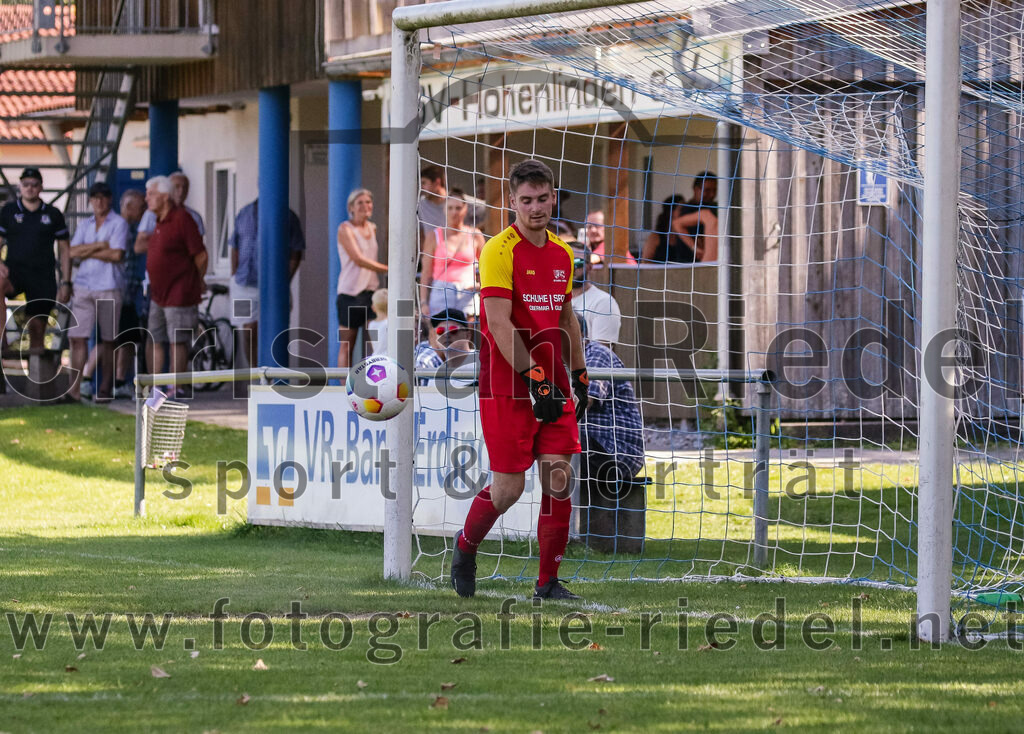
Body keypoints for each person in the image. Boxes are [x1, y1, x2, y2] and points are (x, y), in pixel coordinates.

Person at [450, 158, 589, 601]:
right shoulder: (497, 250)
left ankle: (547, 582)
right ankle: (465, 548)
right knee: (509, 488)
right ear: (512, 202)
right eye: (526, 200)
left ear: (553, 197)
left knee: (559, 478)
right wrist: (535, 380)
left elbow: (567, 318)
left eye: (543, 198)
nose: (535, 208)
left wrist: (580, 372)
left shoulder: (563, 252)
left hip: (551, 382)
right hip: (508, 384)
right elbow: (499, 324)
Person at [136, 175, 207, 397]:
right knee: (155, 338)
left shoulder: (182, 219)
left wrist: (196, 280)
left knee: (178, 340)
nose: (146, 198)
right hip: (158, 293)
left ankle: (176, 387)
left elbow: (201, 256)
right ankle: (156, 388)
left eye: (151, 194)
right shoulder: (158, 220)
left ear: (165, 197)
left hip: (180, 292)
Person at [67, 182, 129, 402]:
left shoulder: (119, 223)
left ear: (109, 199)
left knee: (109, 339)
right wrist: (99, 245)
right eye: (95, 197)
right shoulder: (85, 224)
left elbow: (116, 255)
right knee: (77, 337)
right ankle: (74, 390)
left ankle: (105, 389)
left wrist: (88, 250)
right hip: (84, 285)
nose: (99, 201)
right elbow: (72, 252)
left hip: (109, 285)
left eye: (103, 197)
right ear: (90, 200)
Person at [0, 168, 71, 354]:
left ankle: (37, 379)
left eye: (34, 184)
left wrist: (66, 281)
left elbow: (64, 250)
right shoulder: (8, 211)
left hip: (42, 275)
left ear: (41, 187)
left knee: (37, 333)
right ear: (19, 186)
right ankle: (2, 339)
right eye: (26, 184)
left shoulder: (53, 214)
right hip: (14, 271)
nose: (30, 188)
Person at [229, 198, 306, 369]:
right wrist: (233, 274)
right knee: (247, 330)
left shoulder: (288, 216)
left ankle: (274, 373)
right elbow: (234, 246)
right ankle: (254, 373)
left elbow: (296, 251)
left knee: (274, 328)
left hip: (275, 285)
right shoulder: (244, 212)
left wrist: (286, 280)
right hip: (243, 284)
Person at [576, 313, 645, 486]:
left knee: (554, 441)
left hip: (615, 453)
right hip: (591, 447)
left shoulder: (596, 354)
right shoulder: (556, 359)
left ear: (580, 335)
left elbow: (581, 403)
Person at [337, 188, 387, 368]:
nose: (365, 206)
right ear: (351, 207)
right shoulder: (345, 229)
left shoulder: (372, 227)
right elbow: (358, 259)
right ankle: (344, 388)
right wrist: (388, 269)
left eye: (368, 202)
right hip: (350, 294)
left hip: (371, 294)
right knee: (347, 345)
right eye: (360, 203)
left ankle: (376, 381)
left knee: (378, 342)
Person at [419, 188, 485, 319]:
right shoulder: (434, 235)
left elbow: (486, 266)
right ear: (444, 209)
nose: (454, 212)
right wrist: (423, 302)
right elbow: (426, 272)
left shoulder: (475, 234)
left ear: (465, 209)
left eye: (458, 208)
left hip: (467, 291)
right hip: (441, 290)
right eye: (450, 208)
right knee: (442, 334)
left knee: (466, 336)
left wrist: (481, 286)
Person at [112, 189, 148, 398]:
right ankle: (112, 382)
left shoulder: (135, 228)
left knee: (130, 337)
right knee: (120, 338)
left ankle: (118, 382)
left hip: (132, 290)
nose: (144, 210)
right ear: (128, 206)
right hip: (120, 290)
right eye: (140, 206)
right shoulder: (118, 227)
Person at [570, 245, 621, 344]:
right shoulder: (551, 299)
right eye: (566, 260)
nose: (572, 266)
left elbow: (600, 352)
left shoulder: (603, 302)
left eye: (577, 262)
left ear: (589, 266)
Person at [413, 308, 476, 381]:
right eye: (440, 331)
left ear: (467, 335)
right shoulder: (434, 376)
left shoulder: (481, 362)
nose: (446, 335)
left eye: (453, 330)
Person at [642, 194, 696, 263]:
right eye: (682, 209)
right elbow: (645, 262)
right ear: (670, 212)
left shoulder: (688, 236)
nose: (685, 212)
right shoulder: (656, 237)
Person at [418, 165, 447, 246]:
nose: (421, 187)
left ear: (437, 182)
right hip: (431, 255)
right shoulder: (421, 204)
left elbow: (485, 211)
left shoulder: (457, 201)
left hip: (455, 255)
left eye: (424, 183)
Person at [368, 289, 389, 356]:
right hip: (389, 358)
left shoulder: (371, 325)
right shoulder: (389, 323)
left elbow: (375, 346)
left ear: (373, 308)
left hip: (376, 357)